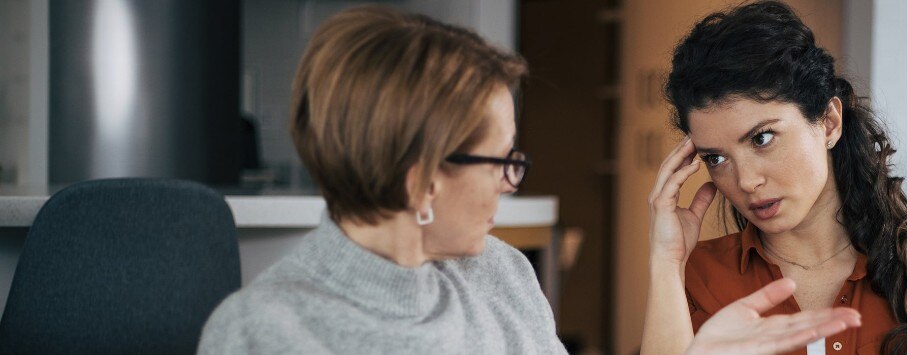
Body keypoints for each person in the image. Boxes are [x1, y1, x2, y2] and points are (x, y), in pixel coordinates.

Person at [199, 5, 858, 354]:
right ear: (419, 181)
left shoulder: (503, 277)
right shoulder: (263, 331)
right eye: (502, 161)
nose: (512, 184)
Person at [641, 2, 907, 354]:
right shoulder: (699, 277)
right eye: (716, 158)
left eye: (762, 138)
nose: (745, 181)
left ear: (829, 123)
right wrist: (666, 263)